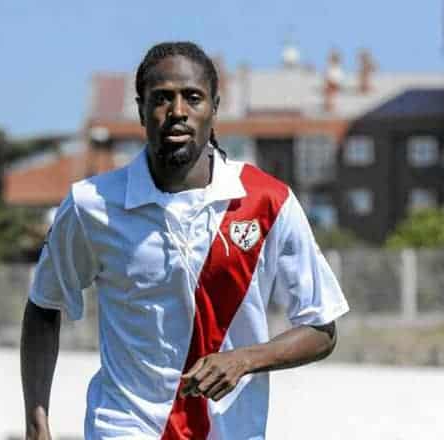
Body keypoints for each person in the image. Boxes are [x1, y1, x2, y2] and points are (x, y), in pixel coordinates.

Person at [21, 41, 349, 439]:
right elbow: (43, 307)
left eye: (192, 98)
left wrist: (244, 359)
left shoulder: (268, 201)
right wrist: (37, 422)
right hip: (125, 426)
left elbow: (321, 328)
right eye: (162, 99)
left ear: (214, 107)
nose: (177, 112)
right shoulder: (92, 205)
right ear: (141, 109)